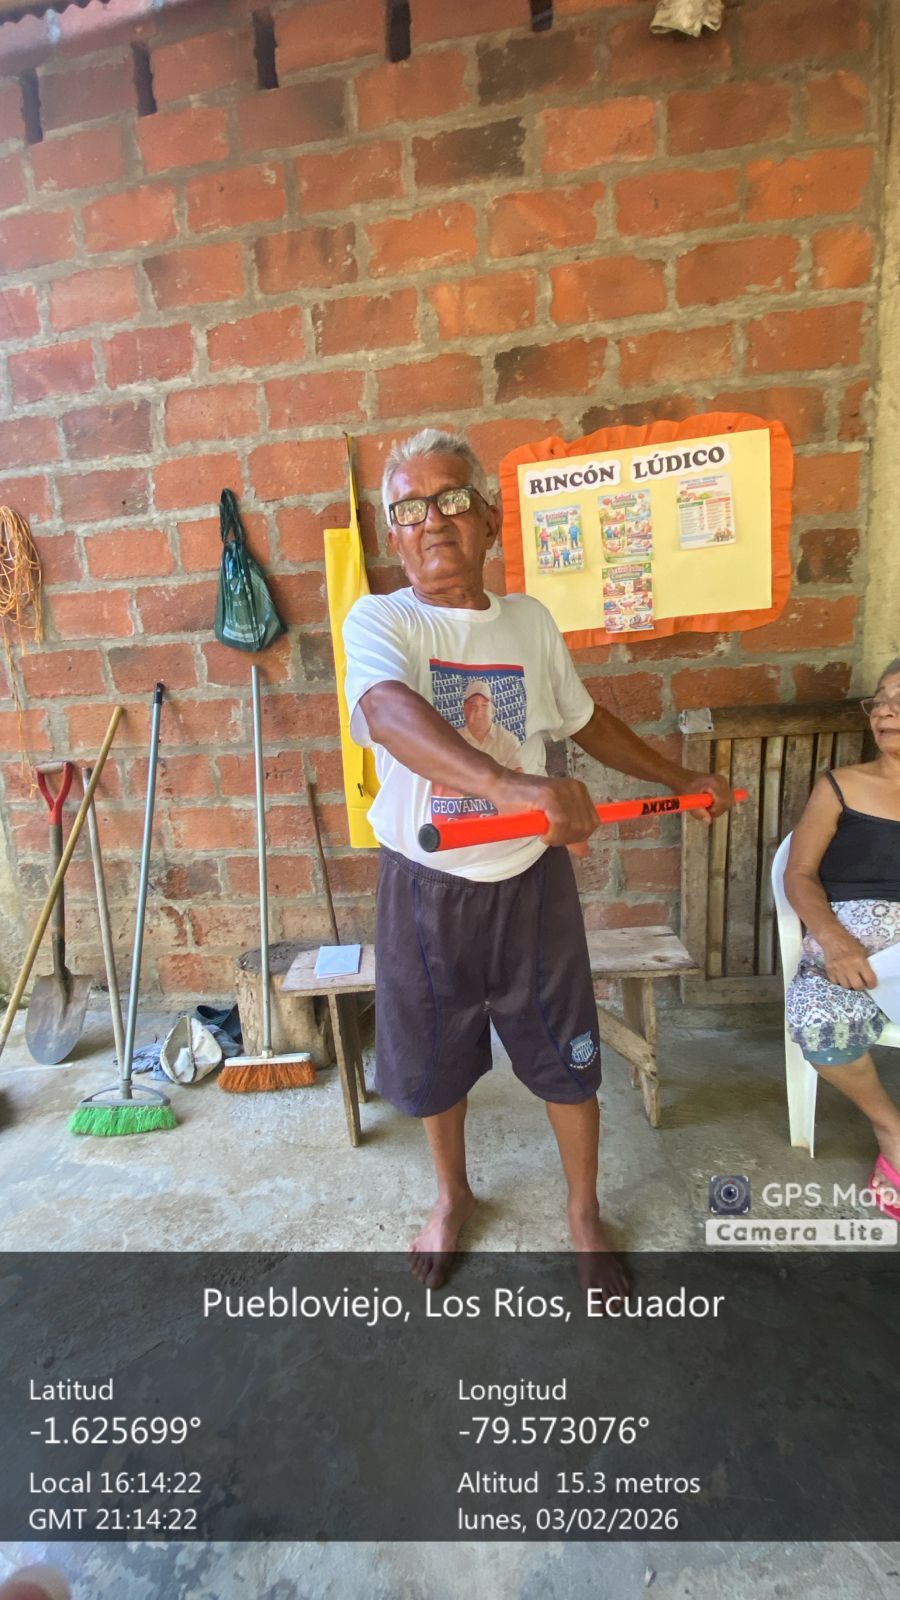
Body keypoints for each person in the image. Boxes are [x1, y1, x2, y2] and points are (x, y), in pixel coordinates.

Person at [342, 428, 734, 1289]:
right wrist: (513, 786)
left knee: (567, 1052)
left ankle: (583, 1211)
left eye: (451, 500)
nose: (431, 520)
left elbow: (584, 720)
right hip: (426, 887)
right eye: (409, 509)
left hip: (532, 884)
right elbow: (389, 713)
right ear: (395, 535)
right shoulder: (383, 620)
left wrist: (678, 777)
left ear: (487, 519)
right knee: (436, 1056)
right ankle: (453, 1195)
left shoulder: (528, 621)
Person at [785, 659, 900, 1217]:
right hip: (849, 941)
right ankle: (891, 1128)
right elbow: (799, 874)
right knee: (822, 1029)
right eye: (880, 700)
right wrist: (834, 940)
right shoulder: (841, 786)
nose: (885, 711)